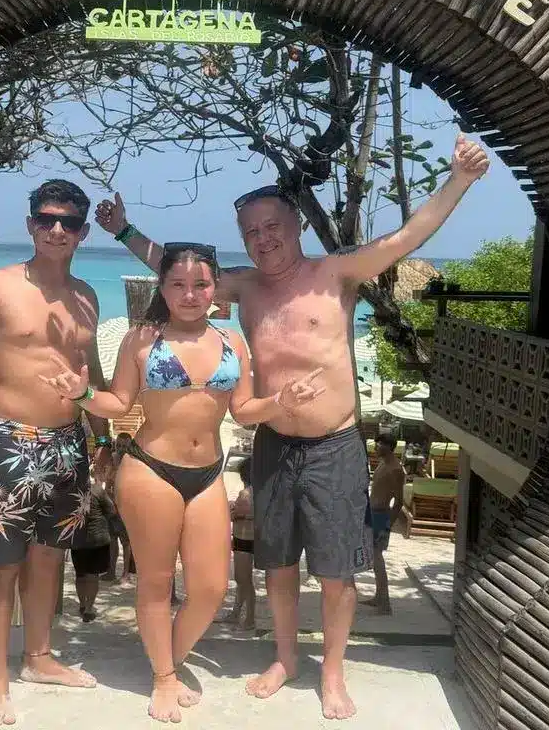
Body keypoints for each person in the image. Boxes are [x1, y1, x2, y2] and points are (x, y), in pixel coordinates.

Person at [96, 133, 490, 720]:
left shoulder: (336, 272)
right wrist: (124, 231)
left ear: (297, 224)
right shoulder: (244, 287)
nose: (263, 239)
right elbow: (178, 272)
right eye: (251, 232)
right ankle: (285, 658)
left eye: (272, 226)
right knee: (277, 564)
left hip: (335, 446)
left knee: (335, 572)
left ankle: (332, 671)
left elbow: (406, 237)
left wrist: (459, 179)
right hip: (274, 443)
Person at [39, 242, 327, 723]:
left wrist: (283, 401)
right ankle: (163, 677)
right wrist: (82, 393)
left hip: (208, 473)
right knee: (156, 583)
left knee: (212, 588)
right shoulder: (141, 339)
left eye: (200, 284)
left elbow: (243, 411)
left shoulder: (231, 340)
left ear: (215, 289)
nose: (190, 294)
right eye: (178, 284)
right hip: (151, 469)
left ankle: (167, 659)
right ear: (163, 286)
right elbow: (118, 403)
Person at [0, 180, 115, 726]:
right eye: (46, 219)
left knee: (50, 558)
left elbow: (91, 375)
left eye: (68, 222)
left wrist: (103, 439)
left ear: (83, 232)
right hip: (7, 439)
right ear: (30, 225)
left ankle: (39, 658)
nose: (56, 230)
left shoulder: (87, 297)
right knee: (1, 565)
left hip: (69, 442)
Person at [364, 427, 406, 615]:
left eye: (379, 445)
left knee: (377, 557)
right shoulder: (382, 463)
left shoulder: (396, 470)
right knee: (374, 558)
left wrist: (388, 525)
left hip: (381, 516)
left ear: (389, 447)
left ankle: (386, 603)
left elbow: (399, 501)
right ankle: (379, 597)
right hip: (372, 514)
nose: (375, 448)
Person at [72, 473, 115, 623]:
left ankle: (82, 605)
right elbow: (111, 511)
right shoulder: (97, 490)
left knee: (80, 575)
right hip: (98, 539)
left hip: (78, 539)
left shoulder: (72, 491)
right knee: (93, 575)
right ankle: (89, 609)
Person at [221, 463, 257, 630]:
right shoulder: (259, 492)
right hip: (250, 538)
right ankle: (236, 613)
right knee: (243, 580)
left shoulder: (246, 493)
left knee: (243, 580)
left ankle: (249, 619)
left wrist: (230, 508)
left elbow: (236, 515)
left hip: (243, 539)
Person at [103, 433, 135, 581]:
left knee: (126, 541)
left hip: (127, 507)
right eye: (119, 445)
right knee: (111, 539)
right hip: (112, 505)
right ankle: (111, 571)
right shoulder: (112, 459)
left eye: (125, 446)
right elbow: (107, 484)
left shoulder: (134, 462)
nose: (121, 449)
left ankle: (125, 573)